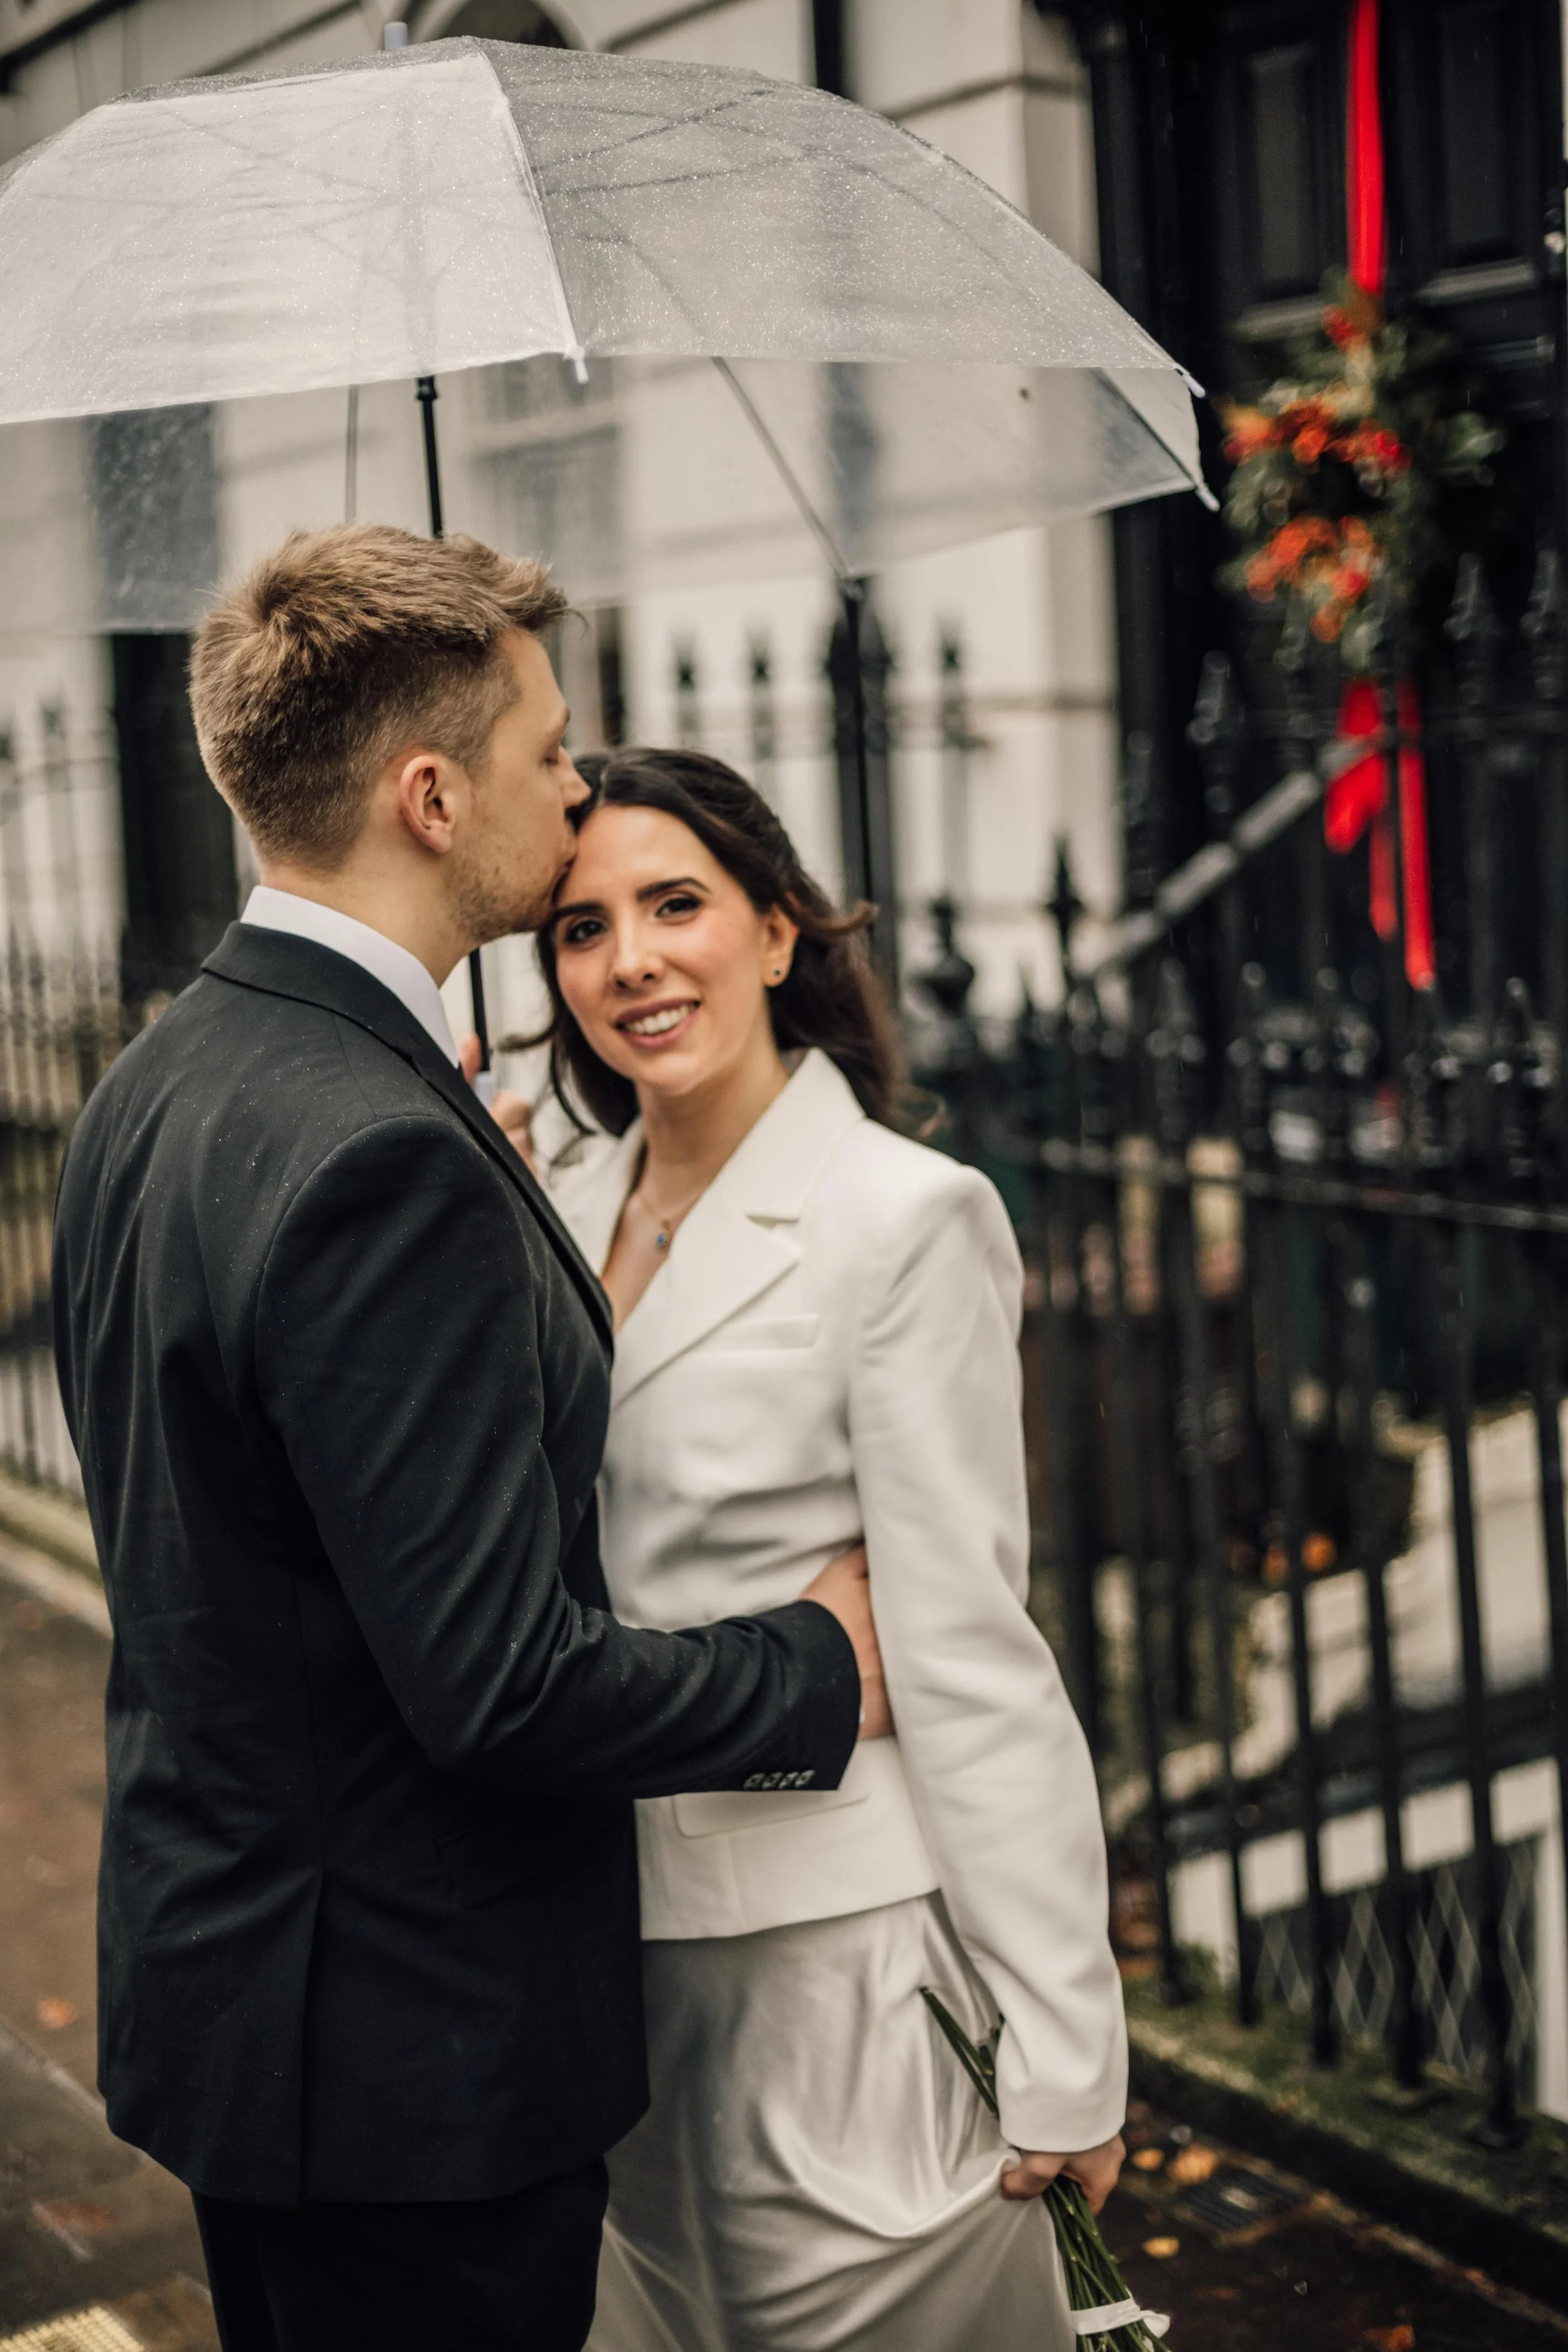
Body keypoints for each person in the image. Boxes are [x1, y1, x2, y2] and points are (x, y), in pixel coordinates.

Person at [51, 528, 889, 2352]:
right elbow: (499, 1686)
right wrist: (816, 1663)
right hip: (412, 2060)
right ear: (429, 794)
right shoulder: (379, 1154)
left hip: (239, 1999)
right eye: (544, 747)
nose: (572, 784)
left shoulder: (164, 1076)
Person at [510, 746, 1128, 2352]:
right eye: (580, 927)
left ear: (778, 932)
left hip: (828, 1959)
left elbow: (968, 1654)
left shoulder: (901, 1219)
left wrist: (1066, 2041)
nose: (628, 959)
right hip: (596, 1953)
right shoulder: (548, 1195)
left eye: (674, 905)